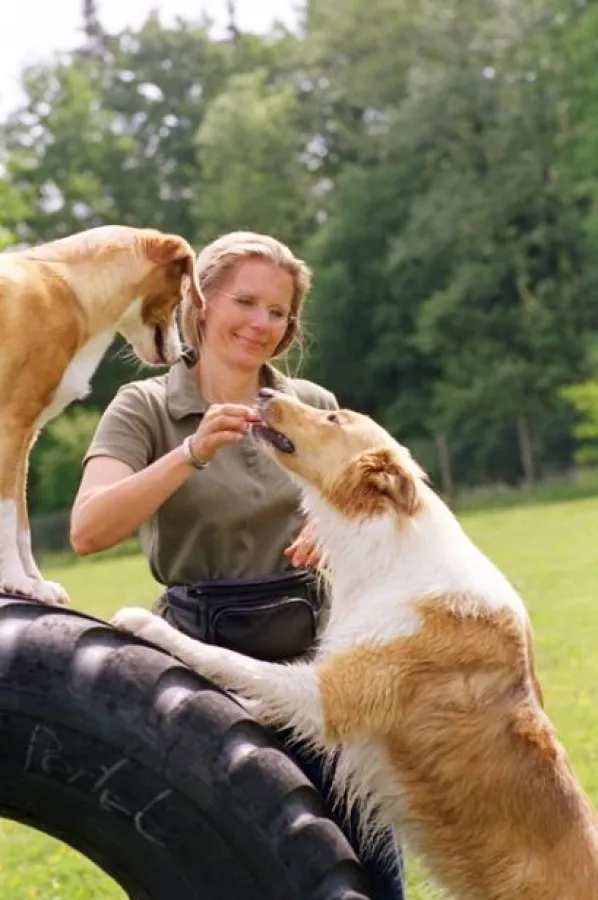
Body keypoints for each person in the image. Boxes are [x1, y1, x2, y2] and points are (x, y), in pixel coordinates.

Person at [70, 231, 404, 899]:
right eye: (245, 302)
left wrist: (331, 524)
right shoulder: (144, 407)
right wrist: (189, 453)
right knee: (236, 873)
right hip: (203, 674)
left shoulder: (310, 402)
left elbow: (388, 513)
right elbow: (87, 529)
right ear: (201, 303)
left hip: (320, 667)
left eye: (277, 312)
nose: (260, 324)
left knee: (371, 870)